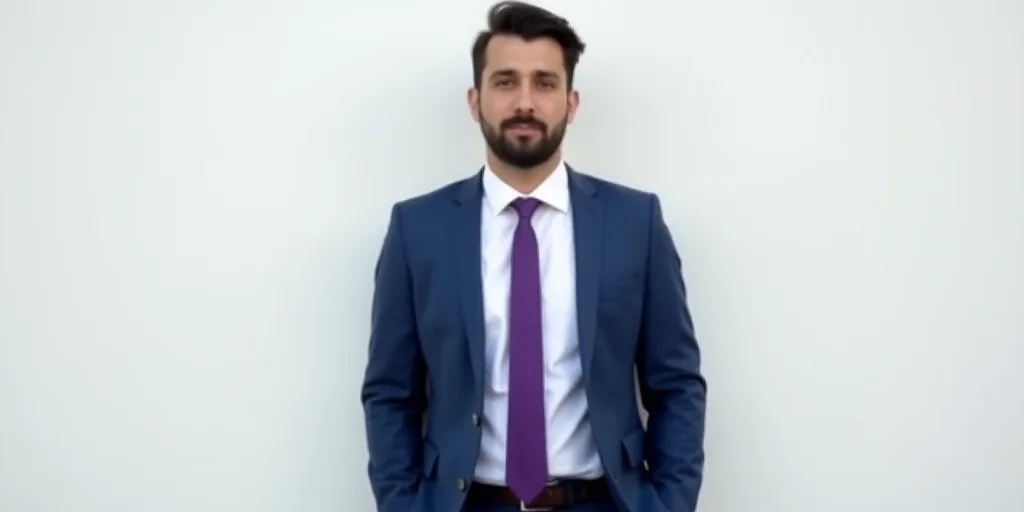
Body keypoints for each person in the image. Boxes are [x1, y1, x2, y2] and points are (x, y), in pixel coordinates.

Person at [360, 2, 707, 511]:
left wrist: (668, 505)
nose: (525, 101)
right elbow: (391, 392)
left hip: (601, 500)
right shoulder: (418, 229)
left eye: (544, 83)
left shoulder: (636, 222)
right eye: (505, 82)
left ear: (571, 102)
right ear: (475, 101)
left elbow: (676, 383)